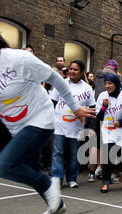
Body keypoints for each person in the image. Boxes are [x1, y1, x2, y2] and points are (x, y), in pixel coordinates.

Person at [0, 19, 96, 214]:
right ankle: (57, 205)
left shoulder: (19, 60)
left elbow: (55, 78)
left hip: (40, 118)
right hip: (15, 126)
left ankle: (51, 187)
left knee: (4, 166)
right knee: (29, 169)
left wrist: (75, 108)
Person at [51, 60, 95, 188]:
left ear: (81, 72)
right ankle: (56, 179)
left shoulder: (87, 88)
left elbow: (92, 107)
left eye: (75, 69)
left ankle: (71, 179)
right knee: (58, 153)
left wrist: (88, 125)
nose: (71, 71)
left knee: (74, 154)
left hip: (77, 127)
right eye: (70, 69)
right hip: (59, 125)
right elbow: (52, 103)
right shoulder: (61, 83)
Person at [96, 73, 122, 193]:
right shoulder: (102, 96)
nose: (107, 86)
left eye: (110, 83)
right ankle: (106, 182)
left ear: (116, 84)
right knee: (107, 156)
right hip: (109, 130)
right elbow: (99, 117)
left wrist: (121, 122)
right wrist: (104, 107)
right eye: (106, 83)